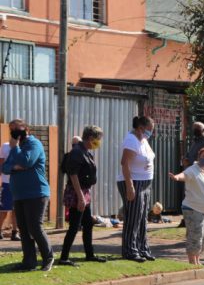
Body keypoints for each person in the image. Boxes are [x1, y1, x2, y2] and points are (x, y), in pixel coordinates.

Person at [2, 119, 54, 271]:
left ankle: (48, 257)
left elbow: (26, 162)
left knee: (35, 227)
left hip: (36, 193)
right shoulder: (15, 147)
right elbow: (5, 168)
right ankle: (29, 262)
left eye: (17, 129)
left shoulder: (33, 144)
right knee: (23, 229)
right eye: (11, 130)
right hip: (19, 194)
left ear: (27, 129)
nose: (14, 132)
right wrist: (15, 165)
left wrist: (16, 151)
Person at [59, 126, 108, 266]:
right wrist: (80, 197)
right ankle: (64, 257)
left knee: (87, 224)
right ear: (91, 138)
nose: (99, 142)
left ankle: (89, 254)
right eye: (98, 139)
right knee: (74, 226)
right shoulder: (77, 152)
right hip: (77, 193)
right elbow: (73, 175)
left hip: (84, 192)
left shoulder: (85, 151)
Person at [168, 148, 204, 265]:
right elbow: (183, 175)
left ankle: (197, 259)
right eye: (203, 156)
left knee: (203, 237)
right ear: (198, 156)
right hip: (193, 209)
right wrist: (176, 177)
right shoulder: (192, 170)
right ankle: (192, 261)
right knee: (195, 236)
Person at [117, 116, 156, 263]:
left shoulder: (142, 139)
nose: (151, 133)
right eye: (149, 130)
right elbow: (125, 163)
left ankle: (142, 248)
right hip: (134, 182)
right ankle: (129, 250)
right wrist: (130, 186)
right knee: (133, 218)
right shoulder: (131, 140)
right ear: (140, 128)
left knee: (142, 218)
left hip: (145, 183)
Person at [0, 141, 20, 241]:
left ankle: (15, 232)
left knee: (16, 209)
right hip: (6, 182)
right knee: (4, 210)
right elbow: (1, 162)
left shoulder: (24, 145)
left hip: (19, 182)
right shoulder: (5, 146)